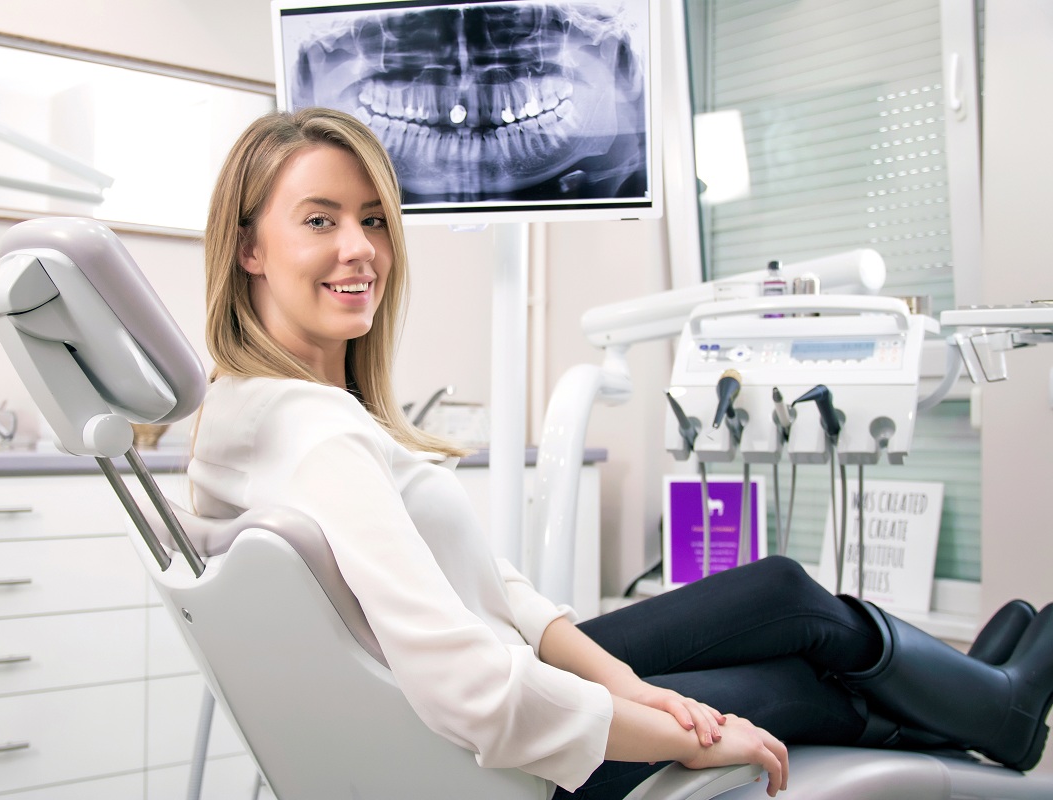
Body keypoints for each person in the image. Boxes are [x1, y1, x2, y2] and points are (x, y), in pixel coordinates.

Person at [188, 107, 1053, 799]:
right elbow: (472, 690)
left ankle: (986, 693)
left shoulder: (249, 415)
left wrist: (628, 685)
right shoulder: (320, 437)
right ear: (249, 247)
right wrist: (676, 731)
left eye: (372, 219)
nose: (360, 248)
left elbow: (492, 594)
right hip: (523, 761)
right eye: (319, 220)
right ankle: (996, 708)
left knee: (779, 588)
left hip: (503, 705)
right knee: (799, 679)